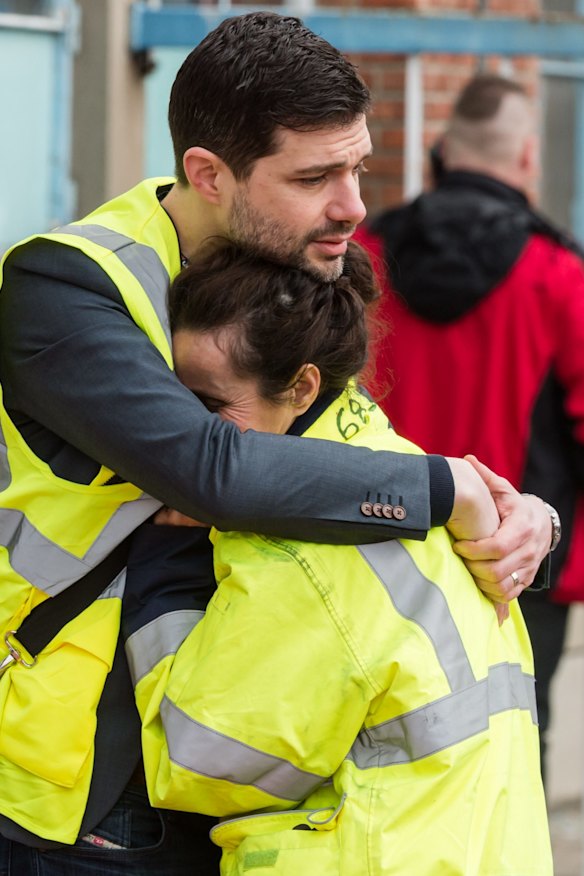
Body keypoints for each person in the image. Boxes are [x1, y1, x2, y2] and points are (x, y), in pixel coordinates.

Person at [0, 15, 554, 871]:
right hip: (70, 786)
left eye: (358, 166)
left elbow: (345, 449)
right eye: (315, 175)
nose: (355, 205)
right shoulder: (65, 285)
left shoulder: (294, 262)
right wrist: (447, 491)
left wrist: (522, 516)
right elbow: (212, 469)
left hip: (232, 775)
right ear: (209, 175)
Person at [122, 240, 552, 876]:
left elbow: (199, 763)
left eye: (212, 407)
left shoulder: (299, 557)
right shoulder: (404, 477)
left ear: (301, 386)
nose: (187, 436)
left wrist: (166, 564)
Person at [357, 73, 584, 784]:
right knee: (515, 746)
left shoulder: (362, 257)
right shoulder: (561, 276)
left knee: (370, 749)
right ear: (525, 159)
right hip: (518, 562)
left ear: (440, 153)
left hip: (370, 546)